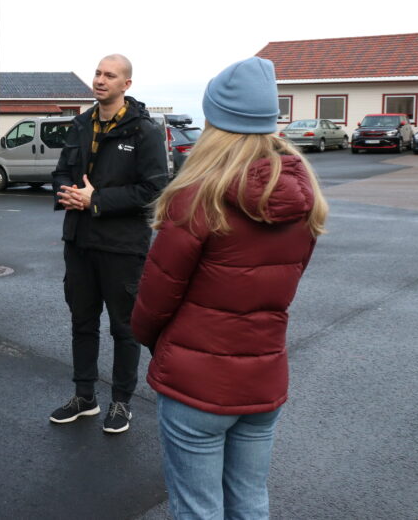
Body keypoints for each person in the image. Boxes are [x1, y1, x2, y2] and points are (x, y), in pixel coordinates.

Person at [132, 57, 328, 519]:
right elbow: (285, 285)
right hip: (264, 376)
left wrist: (153, 341)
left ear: (216, 122)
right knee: (250, 501)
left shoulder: (196, 196)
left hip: (196, 383)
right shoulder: (306, 199)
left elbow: (156, 298)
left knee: (197, 508)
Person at [49, 54, 169, 433]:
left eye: (109, 75)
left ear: (126, 85)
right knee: (82, 322)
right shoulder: (81, 124)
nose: (100, 80)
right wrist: (65, 193)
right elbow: (63, 171)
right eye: (98, 73)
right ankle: (85, 397)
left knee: (124, 327)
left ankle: (121, 402)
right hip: (79, 241)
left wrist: (95, 200)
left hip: (122, 246)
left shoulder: (144, 131)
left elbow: (154, 189)